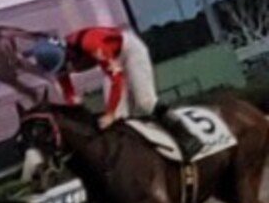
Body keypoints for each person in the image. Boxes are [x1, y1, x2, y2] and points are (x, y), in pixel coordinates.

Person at [51, 26, 202, 160]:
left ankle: (186, 135)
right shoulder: (56, 64)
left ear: (66, 51)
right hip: (111, 59)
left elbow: (117, 79)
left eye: (65, 64)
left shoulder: (90, 43)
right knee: (118, 119)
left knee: (144, 103)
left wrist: (109, 113)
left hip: (129, 51)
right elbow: (71, 97)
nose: (67, 69)